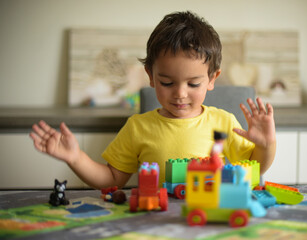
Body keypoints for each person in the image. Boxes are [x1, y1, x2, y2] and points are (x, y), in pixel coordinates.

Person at [30, 11, 276, 189]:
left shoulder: (225, 123)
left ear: (212, 79)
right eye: (167, 82)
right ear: (150, 76)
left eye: (193, 84)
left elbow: (254, 170)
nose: (180, 93)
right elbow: (111, 179)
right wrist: (76, 158)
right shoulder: (137, 127)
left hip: (210, 219)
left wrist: (266, 145)